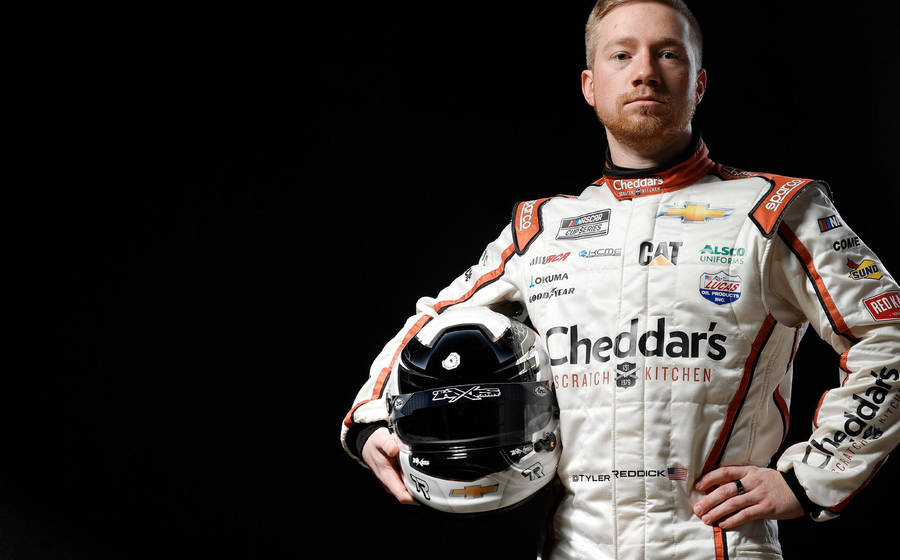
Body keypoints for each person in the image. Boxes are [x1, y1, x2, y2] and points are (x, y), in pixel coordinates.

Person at [339, 1, 900, 558]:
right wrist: (369, 424)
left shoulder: (777, 209)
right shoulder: (541, 229)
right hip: (571, 547)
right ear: (589, 84)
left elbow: (889, 332)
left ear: (699, 82)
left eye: (668, 53)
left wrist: (811, 478)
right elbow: (433, 325)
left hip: (718, 546)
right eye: (622, 54)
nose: (645, 71)